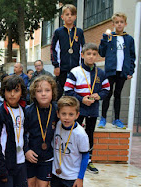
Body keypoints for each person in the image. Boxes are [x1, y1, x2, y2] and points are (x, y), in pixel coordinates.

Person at [17, 75, 58, 187]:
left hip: (47, 157)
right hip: (30, 157)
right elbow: (22, 135)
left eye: (47, 90)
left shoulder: (57, 110)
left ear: (53, 92)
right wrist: (26, 150)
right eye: (39, 90)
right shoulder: (27, 111)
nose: (43, 94)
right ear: (34, 93)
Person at [64, 43, 110, 174]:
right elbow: (68, 90)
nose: (91, 57)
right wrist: (81, 99)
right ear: (82, 55)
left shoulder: (101, 73)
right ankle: (72, 158)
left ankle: (88, 160)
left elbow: (106, 89)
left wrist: (98, 95)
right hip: (78, 110)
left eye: (94, 54)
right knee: (74, 133)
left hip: (93, 109)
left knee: (89, 134)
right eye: (88, 54)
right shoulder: (75, 72)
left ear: (97, 56)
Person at [98, 12, 136, 129]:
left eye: (121, 22)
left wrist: (130, 71)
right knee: (107, 94)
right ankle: (103, 118)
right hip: (111, 71)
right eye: (117, 22)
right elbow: (102, 53)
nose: (119, 24)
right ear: (113, 24)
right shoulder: (109, 37)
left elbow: (132, 56)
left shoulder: (129, 39)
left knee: (118, 94)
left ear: (125, 24)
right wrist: (104, 39)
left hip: (122, 71)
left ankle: (117, 119)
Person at [51, 4, 85, 100]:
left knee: (74, 92)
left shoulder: (79, 32)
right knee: (58, 92)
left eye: (72, 14)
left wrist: (82, 66)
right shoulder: (58, 32)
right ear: (62, 17)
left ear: (75, 17)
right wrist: (56, 65)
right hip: (62, 68)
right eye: (67, 14)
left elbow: (83, 49)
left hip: (76, 68)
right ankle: (55, 112)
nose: (69, 16)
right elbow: (53, 49)